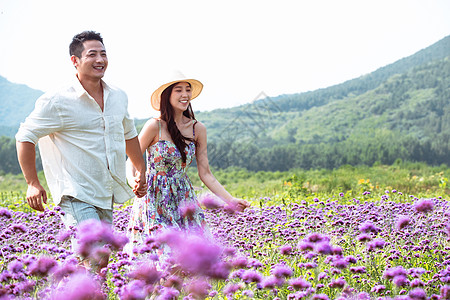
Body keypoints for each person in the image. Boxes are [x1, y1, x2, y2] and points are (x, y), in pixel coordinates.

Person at [15, 31, 147, 244]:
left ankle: (67, 278)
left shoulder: (118, 96)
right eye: (92, 54)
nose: (100, 60)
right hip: (75, 191)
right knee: (93, 252)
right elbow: (25, 136)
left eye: (103, 54)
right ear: (75, 61)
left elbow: (129, 135)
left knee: (101, 257)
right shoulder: (57, 100)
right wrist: (32, 182)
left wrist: (140, 169)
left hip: (105, 191)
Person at [126, 72, 250, 255]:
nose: (185, 95)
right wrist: (134, 181)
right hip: (154, 198)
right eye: (179, 90)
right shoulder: (154, 126)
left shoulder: (197, 129)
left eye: (188, 90)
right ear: (167, 95)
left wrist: (230, 200)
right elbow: (131, 159)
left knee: (190, 257)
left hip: (183, 198)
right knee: (163, 254)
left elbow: (206, 173)